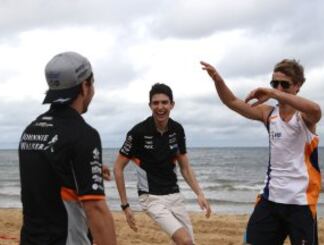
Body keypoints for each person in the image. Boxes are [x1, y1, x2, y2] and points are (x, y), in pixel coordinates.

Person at [201, 60, 321, 244]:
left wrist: (273, 92)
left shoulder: (304, 117)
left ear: (297, 86)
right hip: (270, 199)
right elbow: (232, 102)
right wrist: (218, 80)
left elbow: (316, 110)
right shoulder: (268, 113)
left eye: (285, 84)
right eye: (275, 83)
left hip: (301, 203)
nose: (279, 87)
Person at [18, 51, 116, 245]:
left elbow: (49, 176)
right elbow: (96, 208)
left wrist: (89, 167)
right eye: (92, 83)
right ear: (85, 86)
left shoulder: (30, 131)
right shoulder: (83, 134)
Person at [114, 83, 211, 245]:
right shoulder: (138, 132)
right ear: (150, 105)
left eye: (165, 102)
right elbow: (118, 168)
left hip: (174, 196)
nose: (160, 107)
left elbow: (185, 167)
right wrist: (125, 206)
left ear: (172, 105)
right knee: (185, 241)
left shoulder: (177, 129)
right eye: (156, 103)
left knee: (189, 243)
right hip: (151, 197)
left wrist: (199, 193)